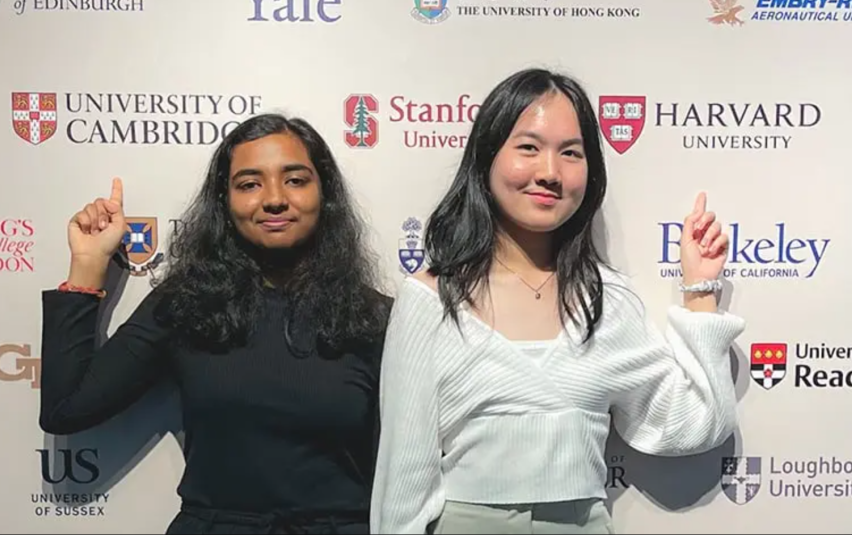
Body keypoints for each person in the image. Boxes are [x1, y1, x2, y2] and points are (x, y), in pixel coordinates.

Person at [369, 68, 746, 535]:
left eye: (570, 153)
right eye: (528, 147)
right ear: (486, 159)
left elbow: (692, 424)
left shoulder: (607, 301)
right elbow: (403, 481)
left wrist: (701, 291)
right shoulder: (429, 300)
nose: (549, 172)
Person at [39, 113, 393, 534]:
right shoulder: (186, 304)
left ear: (326, 194)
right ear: (224, 202)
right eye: (249, 184)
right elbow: (67, 409)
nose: (275, 198)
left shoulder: (377, 320)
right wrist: (88, 264)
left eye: (296, 179)